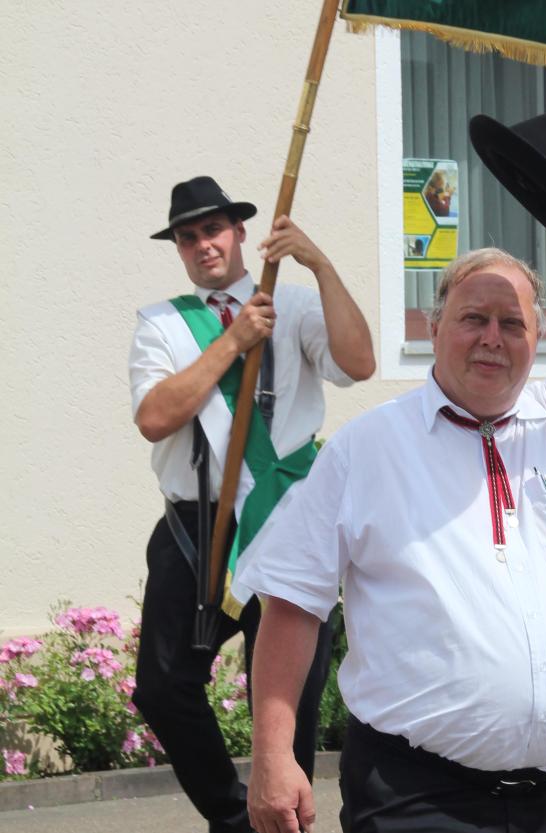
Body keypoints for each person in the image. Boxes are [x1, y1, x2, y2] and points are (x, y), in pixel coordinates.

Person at [234, 148, 546, 833]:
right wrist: (274, 755)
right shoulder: (366, 448)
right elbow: (293, 604)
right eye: (473, 318)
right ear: (434, 328)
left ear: (539, 334)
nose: (493, 337)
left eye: (512, 322)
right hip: (416, 798)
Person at [129, 175, 375, 833]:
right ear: (179, 248)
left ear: (240, 232)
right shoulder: (161, 323)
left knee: (285, 701)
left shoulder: (292, 304)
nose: (203, 243)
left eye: (213, 229)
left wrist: (319, 263)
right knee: (162, 686)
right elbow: (156, 416)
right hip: (196, 525)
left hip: (289, 518)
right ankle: (233, 814)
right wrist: (233, 343)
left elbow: (360, 361)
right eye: (188, 236)